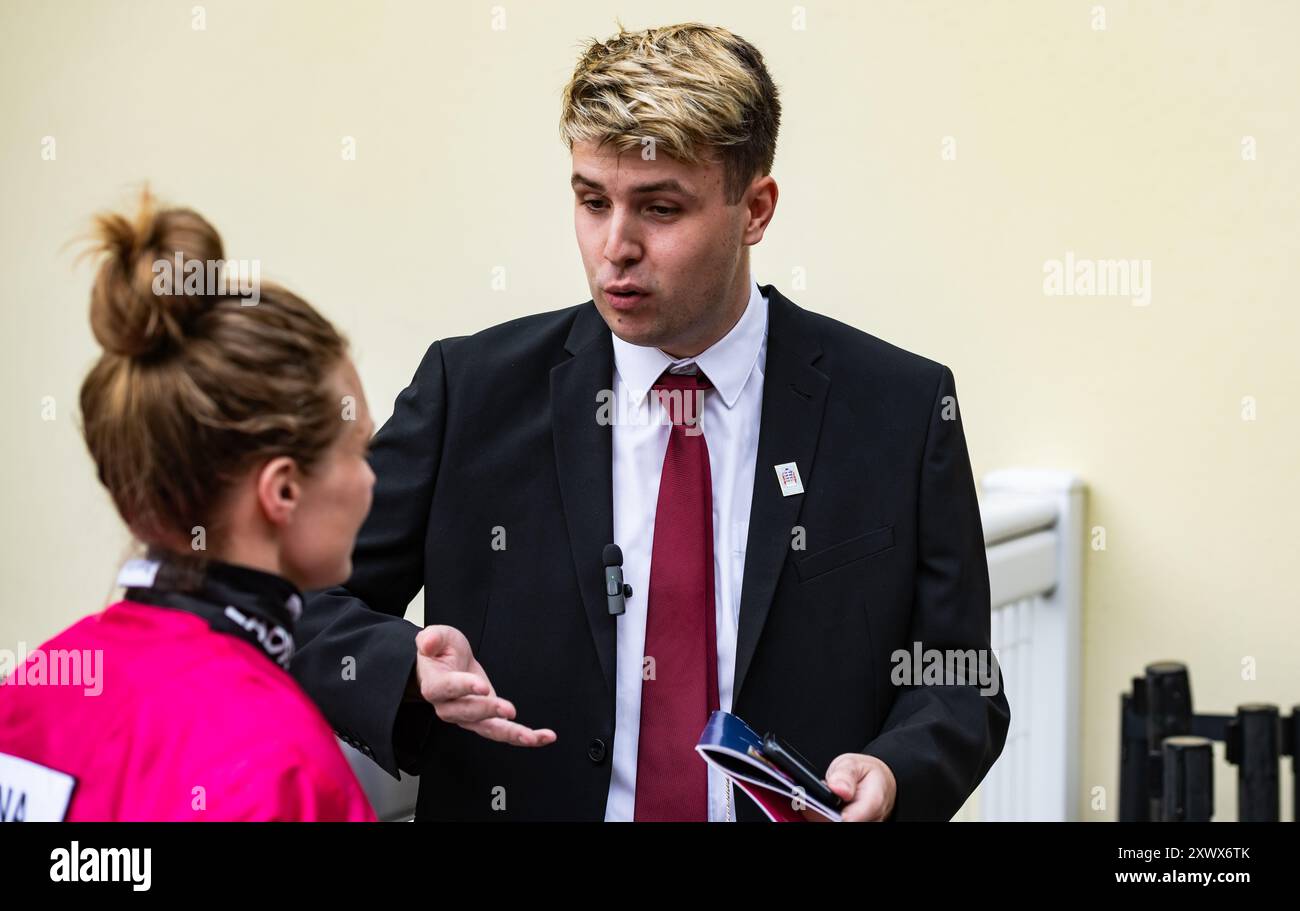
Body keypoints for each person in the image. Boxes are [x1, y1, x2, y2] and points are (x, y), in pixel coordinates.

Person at [291, 22, 1010, 821]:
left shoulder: (900, 408)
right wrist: (403, 667)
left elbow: (959, 681)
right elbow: (298, 603)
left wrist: (891, 770)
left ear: (756, 210)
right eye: (591, 201)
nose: (615, 247)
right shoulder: (471, 392)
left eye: (660, 208)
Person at [0, 193, 544, 821]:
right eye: (354, 451)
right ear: (282, 491)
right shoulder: (282, 768)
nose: (372, 480)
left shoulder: (37, 687)